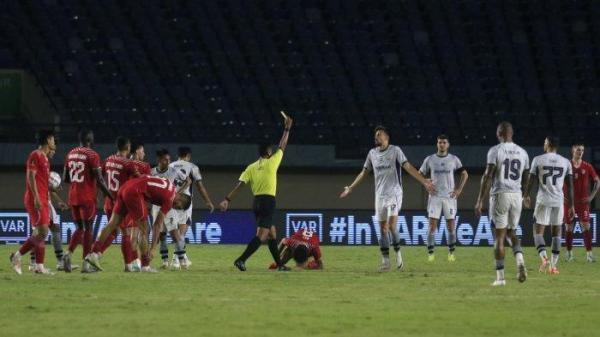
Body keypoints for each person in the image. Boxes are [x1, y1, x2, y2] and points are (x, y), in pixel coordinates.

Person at [340, 126, 435, 271]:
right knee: (382, 229)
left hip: (394, 194)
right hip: (379, 196)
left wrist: (424, 181)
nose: (376, 137)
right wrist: (351, 187)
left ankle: (398, 257)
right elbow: (364, 172)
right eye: (375, 135)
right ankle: (385, 262)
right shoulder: (372, 153)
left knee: (391, 226)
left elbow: (408, 167)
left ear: (386, 137)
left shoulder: (395, 150)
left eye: (379, 134)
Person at [219, 115, 294, 271]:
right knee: (262, 236)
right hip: (268, 201)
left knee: (272, 233)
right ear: (268, 152)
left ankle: (280, 265)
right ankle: (241, 260)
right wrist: (287, 128)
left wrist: (227, 199)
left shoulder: (251, 167)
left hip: (257, 202)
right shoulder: (272, 162)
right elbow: (283, 145)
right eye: (271, 150)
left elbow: (240, 185)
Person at [86, 176, 191, 272]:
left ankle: (93, 253)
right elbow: (157, 224)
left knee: (113, 223)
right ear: (181, 198)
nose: (174, 208)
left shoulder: (170, 186)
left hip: (125, 187)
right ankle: (145, 265)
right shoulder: (170, 199)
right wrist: (153, 249)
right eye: (178, 207)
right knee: (145, 229)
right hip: (135, 192)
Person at [475, 122, 529, 286]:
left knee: (498, 236)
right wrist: (526, 196)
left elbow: (487, 175)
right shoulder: (523, 152)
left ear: (499, 134)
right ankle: (520, 261)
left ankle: (500, 278)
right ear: (511, 133)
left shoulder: (495, 151)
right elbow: (526, 177)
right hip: (517, 196)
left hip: (500, 194)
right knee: (511, 232)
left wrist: (479, 199)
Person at [62, 130, 112, 273]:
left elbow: (66, 178)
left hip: (73, 196)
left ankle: (68, 253)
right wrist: (109, 195)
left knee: (80, 227)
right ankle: (85, 265)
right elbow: (100, 178)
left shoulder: (70, 154)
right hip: (86, 197)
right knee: (88, 229)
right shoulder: (92, 154)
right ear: (90, 139)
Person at [523, 136, 574, 275]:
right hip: (558, 201)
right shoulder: (565, 162)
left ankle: (544, 259)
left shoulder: (538, 160)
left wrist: (526, 195)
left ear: (548, 144)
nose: (543, 144)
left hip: (543, 200)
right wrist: (572, 205)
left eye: (544, 142)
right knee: (557, 233)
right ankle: (553, 266)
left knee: (537, 232)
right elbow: (570, 187)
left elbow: (531, 179)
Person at [10, 129, 57, 275]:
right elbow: (30, 176)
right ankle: (17, 257)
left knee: (41, 232)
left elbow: (42, 180)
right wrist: (36, 197)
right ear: (48, 140)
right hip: (35, 198)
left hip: (43, 197)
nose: (54, 142)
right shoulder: (35, 155)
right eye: (53, 140)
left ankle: (38, 265)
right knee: (43, 231)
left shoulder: (45, 157)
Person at [419, 134, 468, 262]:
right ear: (437, 144)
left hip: (449, 197)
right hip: (434, 197)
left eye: (444, 142)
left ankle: (451, 253)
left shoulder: (453, 159)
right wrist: (426, 183)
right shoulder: (430, 159)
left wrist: (459, 189)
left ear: (448, 144)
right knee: (432, 226)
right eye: (439, 142)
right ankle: (430, 254)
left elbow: (465, 174)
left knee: (451, 226)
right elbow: (419, 174)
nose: (441, 144)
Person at [169, 146, 215, 268]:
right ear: (188, 156)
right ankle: (176, 258)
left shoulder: (170, 166)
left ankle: (181, 257)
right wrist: (208, 202)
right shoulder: (192, 167)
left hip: (171, 201)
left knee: (175, 231)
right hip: (185, 202)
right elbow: (200, 187)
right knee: (182, 233)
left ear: (178, 155)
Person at [151, 148, 190, 270]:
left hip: (168, 205)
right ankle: (164, 261)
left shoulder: (173, 171)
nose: (168, 162)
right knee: (161, 234)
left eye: (169, 160)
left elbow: (188, 181)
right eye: (165, 160)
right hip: (156, 206)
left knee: (175, 234)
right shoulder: (152, 172)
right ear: (159, 160)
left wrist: (177, 192)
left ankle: (183, 259)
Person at [563, 144, 599, 262]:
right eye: (578, 150)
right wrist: (561, 195)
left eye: (582, 150)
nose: (581, 152)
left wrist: (591, 196)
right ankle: (569, 254)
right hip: (569, 202)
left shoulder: (587, 166)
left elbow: (597, 181)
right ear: (573, 150)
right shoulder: (566, 165)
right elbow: (558, 180)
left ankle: (589, 255)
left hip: (583, 202)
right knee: (568, 227)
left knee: (586, 227)